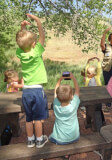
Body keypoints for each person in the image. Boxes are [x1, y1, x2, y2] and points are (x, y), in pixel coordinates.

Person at [16, 14, 48, 148]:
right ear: (34, 44)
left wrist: (22, 28)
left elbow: (20, 42)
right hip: (37, 90)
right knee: (38, 118)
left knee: (29, 118)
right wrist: (38, 21)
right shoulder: (36, 52)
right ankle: (40, 140)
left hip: (26, 91)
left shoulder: (21, 53)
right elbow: (42, 37)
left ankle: (30, 140)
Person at [49, 72, 80, 145]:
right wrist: (74, 79)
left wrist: (60, 79)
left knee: (50, 136)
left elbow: (56, 92)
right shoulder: (73, 105)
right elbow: (77, 91)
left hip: (59, 139)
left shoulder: (56, 104)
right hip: (74, 137)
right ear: (72, 96)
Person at [83, 57, 105, 131]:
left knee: (98, 109)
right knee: (88, 109)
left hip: (98, 96)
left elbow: (99, 70)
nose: (87, 74)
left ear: (94, 74)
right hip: (89, 97)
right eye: (87, 73)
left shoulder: (97, 77)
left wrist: (99, 62)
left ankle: (102, 121)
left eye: (89, 73)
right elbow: (86, 70)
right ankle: (88, 122)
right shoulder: (87, 78)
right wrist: (88, 62)